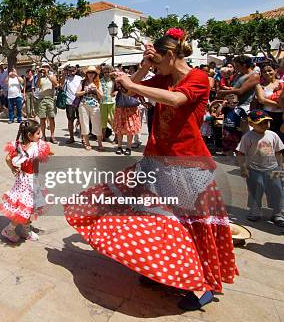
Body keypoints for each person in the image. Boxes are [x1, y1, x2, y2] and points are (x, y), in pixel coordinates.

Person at [64, 28, 237, 311]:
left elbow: (175, 100)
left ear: (170, 55)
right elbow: (130, 85)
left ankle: (201, 286)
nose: (154, 68)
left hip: (187, 164)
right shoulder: (164, 77)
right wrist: (144, 67)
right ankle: (164, 274)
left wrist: (134, 85)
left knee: (185, 226)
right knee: (153, 219)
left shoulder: (198, 78)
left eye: (157, 62)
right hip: (157, 159)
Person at [0, 120, 53, 243]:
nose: (40, 136)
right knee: (25, 208)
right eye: (38, 133)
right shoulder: (37, 146)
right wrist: (45, 150)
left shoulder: (17, 145)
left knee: (29, 206)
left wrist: (13, 168)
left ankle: (26, 229)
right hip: (29, 181)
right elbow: (50, 153)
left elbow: (7, 158)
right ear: (30, 135)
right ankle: (9, 230)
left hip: (23, 180)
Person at [236, 110, 284, 227]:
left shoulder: (273, 135)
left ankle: (277, 213)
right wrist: (243, 167)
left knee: (277, 191)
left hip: (274, 167)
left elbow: (278, 152)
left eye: (266, 122)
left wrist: (281, 166)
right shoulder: (247, 137)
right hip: (254, 169)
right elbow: (241, 153)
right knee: (255, 191)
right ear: (251, 124)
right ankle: (255, 211)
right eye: (261, 123)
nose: (264, 125)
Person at [112, 73, 142, 155]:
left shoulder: (134, 83)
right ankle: (119, 146)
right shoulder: (117, 83)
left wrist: (143, 102)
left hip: (131, 108)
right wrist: (115, 91)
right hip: (120, 107)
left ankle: (128, 148)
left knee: (130, 129)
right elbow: (112, 92)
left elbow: (139, 93)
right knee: (119, 128)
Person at [76, 66, 103, 151]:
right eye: (89, 72)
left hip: (95, 105)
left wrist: (96, 90)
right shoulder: (83, 82)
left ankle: (100, 143)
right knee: (84, 124)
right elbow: (77, 93)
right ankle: (87, 143)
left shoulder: (98, 82)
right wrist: (86, 91)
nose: (91, 74)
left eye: (93, 72)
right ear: (86, 74)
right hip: (83, 105)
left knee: (97, 124)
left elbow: (102, 96)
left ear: (95, 74)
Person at [255, 63, 283, 139]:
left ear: (275, 70)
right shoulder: (260, 86)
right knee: (269, 137)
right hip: (267, 116)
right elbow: (261, 100)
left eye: (269, 70)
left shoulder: (282, 83)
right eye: (264, 72)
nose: (267, 73)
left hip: (282, 115)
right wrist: (280, 105)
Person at [36, 63, 59, 143]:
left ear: (49, 68)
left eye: (46, 67)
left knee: (51, 118)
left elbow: (56, 84)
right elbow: (38, 85)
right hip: (41, 99)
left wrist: (47, 75)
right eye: (43, 67)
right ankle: (43, 136)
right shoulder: (40, 77)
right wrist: (39, 75)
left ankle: (52, 136)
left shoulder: (52, 76)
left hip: (50, 99)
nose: (45, 68)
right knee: (42, 119)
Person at [62, 66, 82, 144]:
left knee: (81, 120)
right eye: (69, 71)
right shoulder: (66, 78)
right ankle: (71, 137)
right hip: (69, 102)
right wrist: (64, 73)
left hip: (79, 101)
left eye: (73, 71)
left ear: (75, 70)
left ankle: (83, 138)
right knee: (70, 120)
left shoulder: (79, 78)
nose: (71, 72)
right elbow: (61, 84)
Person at [99, 65, 116, 140]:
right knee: (103, 120)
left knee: (113, 120)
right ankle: (103, 136)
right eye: (105, 72)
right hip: (102, 103)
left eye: (108, 72)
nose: (106, 73)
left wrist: (115, 92)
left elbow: (117, 89)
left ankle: (116, 137)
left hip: (112, 102)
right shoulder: (100, 80)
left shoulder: (113, 81)